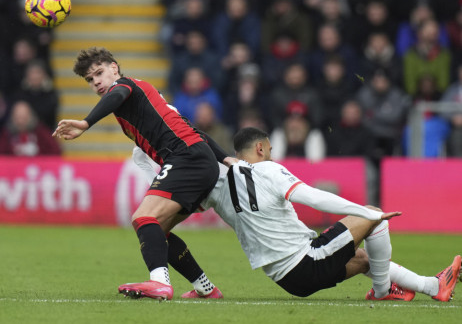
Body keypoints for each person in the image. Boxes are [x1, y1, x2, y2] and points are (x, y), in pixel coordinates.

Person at [134, 127, 461, 301]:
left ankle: (432, 286)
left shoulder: (215, 186)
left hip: (286, 280)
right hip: (306, 260)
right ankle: (381, 292)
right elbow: (314, 198)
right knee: (373, 216)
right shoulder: (270, 171)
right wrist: (364, 212)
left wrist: (150, 158)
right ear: (261, 148)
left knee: (363, 259)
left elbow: (185, 196)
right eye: (270, 149)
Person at [52, 47, 234, 301]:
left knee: (143, 217)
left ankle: (159, 283)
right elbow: (193, 130)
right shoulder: (151, 101)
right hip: (198, 158)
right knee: (158, 230)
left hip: (187, 158)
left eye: (99, 73)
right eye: (90, 80)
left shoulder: (126, 86)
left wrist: (85, 123)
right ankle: (206, 288)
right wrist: (225, 157)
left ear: (114, 68)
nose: (96, 82)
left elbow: (118, 92)